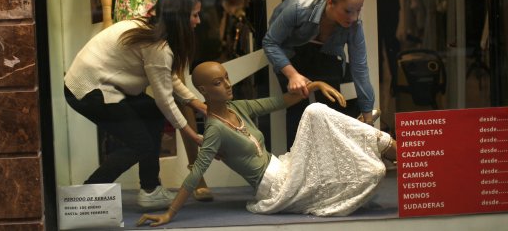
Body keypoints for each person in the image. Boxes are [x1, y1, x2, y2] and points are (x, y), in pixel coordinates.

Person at [136, 61, 397, 226]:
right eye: (218, 82)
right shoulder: (215, 130)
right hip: (277, 188)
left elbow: (280, 102)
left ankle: (382, 144)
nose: (228, 85)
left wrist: (314, 84)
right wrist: (169, 213)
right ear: (203, 91)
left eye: (227, 77)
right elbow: (196, 173)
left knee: (369, 167)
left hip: (285, 167)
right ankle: (383, 142)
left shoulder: (238, 107)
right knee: (317, 115)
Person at [97, 0, 216, 201]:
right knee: (136, 90)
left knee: (177, 83)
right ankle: (150, 183)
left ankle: (196, 172)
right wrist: (108, 18)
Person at [64, 0, 206, 209]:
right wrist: (190, 133)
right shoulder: (157, 46)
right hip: (87, 90)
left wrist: (200, 105)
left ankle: (150, 190)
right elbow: (165, 98)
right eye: (195, 15)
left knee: (151, 112)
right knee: (140, 144)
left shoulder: (152, 31)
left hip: (100, 85)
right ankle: (84, 199)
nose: (198, 21)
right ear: (179, 17)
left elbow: (166, 77)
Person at [262, 0, 377, 149]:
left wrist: (368, 118)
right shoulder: (299, 6)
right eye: (347, 11)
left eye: (358, 10)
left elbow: (360, 68)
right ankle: (299, 169)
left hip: (326, 52)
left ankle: (332, 167)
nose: (354, 17)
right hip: (291, 53)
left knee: (333, 111)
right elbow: (270, 42)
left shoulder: (354, 25)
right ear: (330, 1)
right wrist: (292, 75)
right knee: (299, 113)